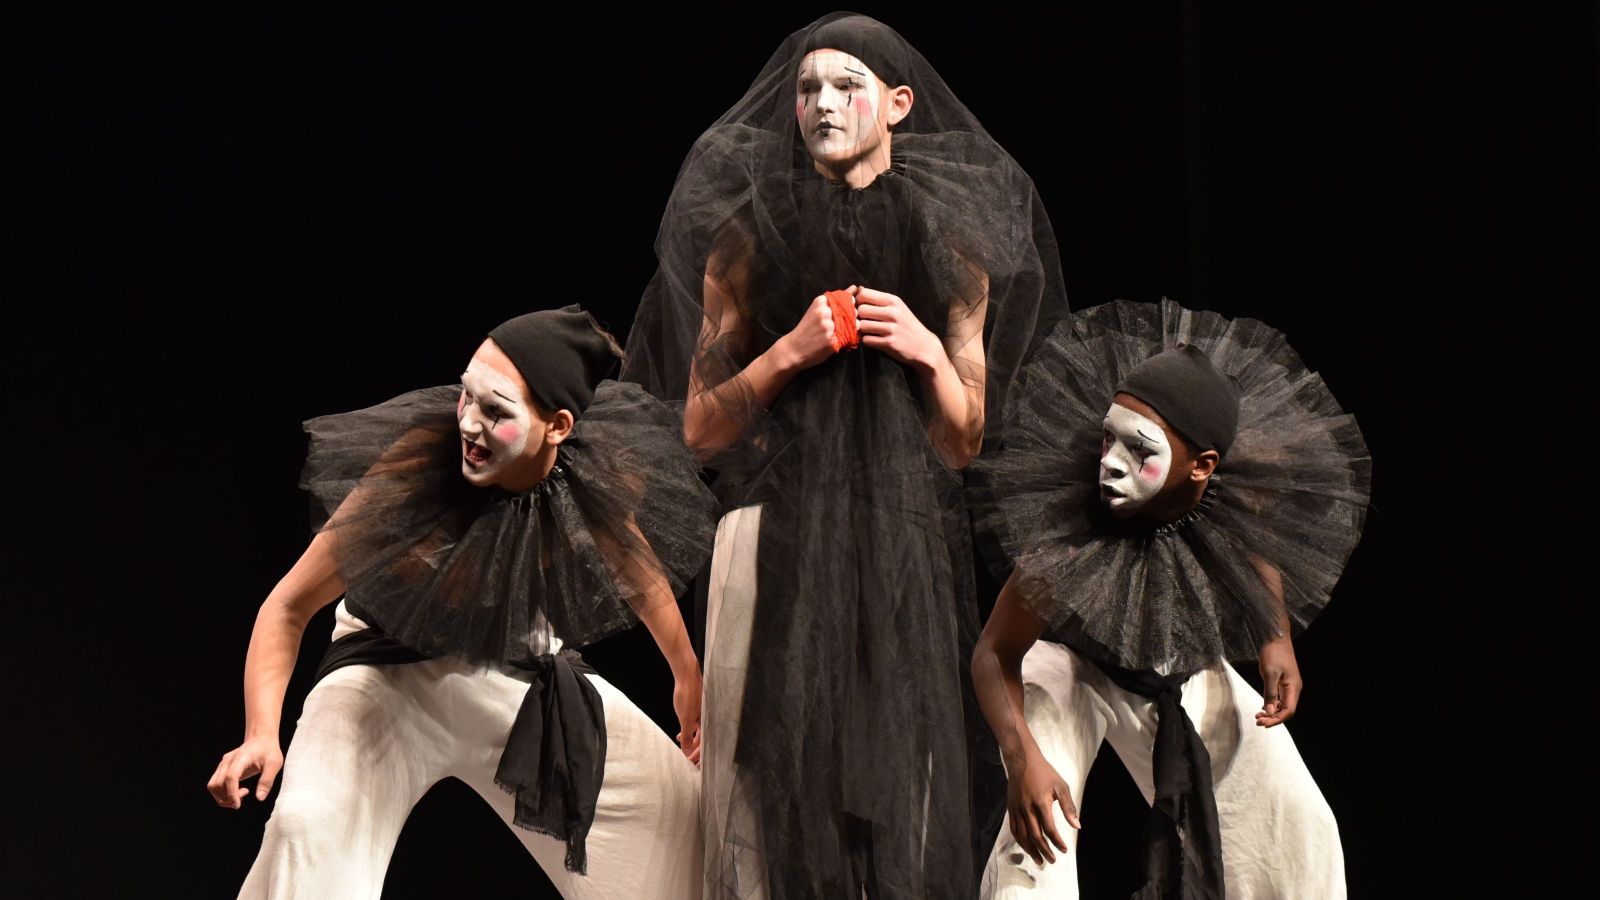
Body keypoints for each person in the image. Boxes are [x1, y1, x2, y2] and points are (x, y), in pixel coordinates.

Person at [623, 11, 1068, 898]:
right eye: (807, 90)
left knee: (902, 787)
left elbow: (962, 442)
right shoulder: (750, 235)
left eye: (846, 86)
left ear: (898, 105)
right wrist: (788, 352)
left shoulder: (951, 241)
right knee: (767, 791)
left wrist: (928, 351)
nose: (823, 105)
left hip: (898, 540)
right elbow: (699, 432)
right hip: (773, 528)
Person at [206, 305, 716, 899]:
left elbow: (637, 568)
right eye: (466, 397)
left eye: (495, 410)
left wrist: (687, 676)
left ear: (558, 427)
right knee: (305, 829)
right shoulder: (409, 477)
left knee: (684, 822)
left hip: (518, 674)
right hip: (385, 677)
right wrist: (260, 733)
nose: (469, 424)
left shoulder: (586, 480)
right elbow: (287, 606)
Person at [969, 298, 1371, 898]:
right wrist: (1023, 755)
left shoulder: (1227, 498)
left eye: (1140, 450)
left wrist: (1275, 636)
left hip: (1173, 672)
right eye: (1109, 438)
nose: (1110, 464)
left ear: (1203, 467)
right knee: (1037, 838)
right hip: (1074, 667)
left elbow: (1255, 546)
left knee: (1301, 825)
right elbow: (994, 653)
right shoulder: (1070, 532)